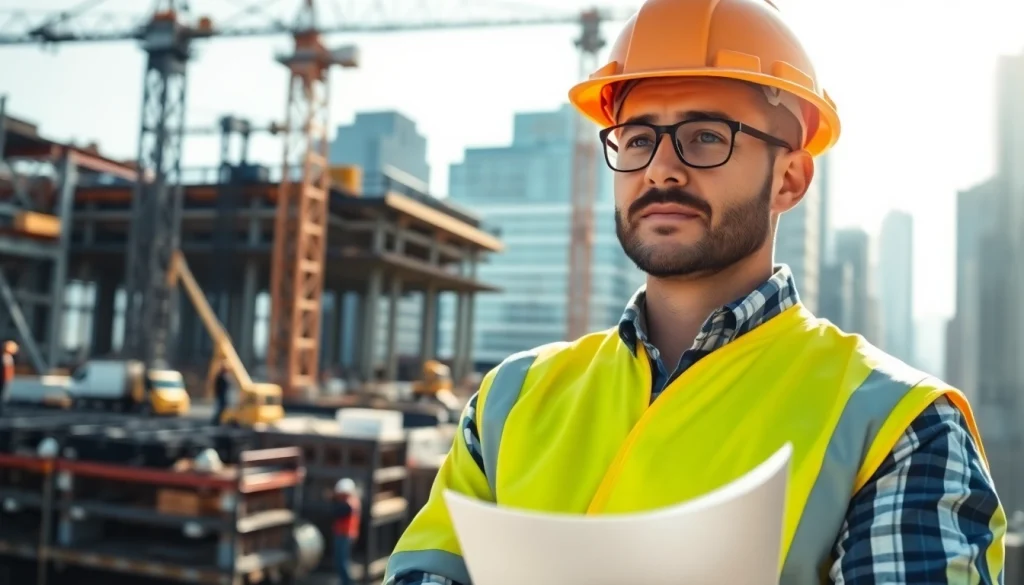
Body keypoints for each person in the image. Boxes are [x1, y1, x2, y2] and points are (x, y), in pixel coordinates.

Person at [384, 0, 1006, 583]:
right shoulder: (509, 400)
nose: (660, 168)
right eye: (637, 139)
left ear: (789, 178)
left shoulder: (898, 423)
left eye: (706, 136)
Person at [332, 478, 361, 585]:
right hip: (345, 534)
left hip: (344, 535)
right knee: (342, 561)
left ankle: (347, 582)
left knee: (342, 562)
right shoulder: (353, 501)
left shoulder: (348, 504)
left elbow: (337, 512)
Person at [0, 341, 16, 417]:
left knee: (5, 395)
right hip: (4, 380)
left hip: (7, 379)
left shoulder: (7, 357)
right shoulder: (5, 357)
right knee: (3, 395)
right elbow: (5, 370)